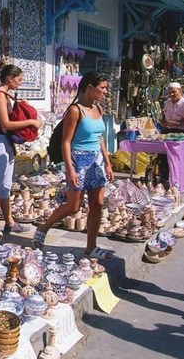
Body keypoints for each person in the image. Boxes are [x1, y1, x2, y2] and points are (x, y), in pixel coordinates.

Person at [32, 71, 115, 260]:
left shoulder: (98, 110)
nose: (105, 92)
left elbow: (99, 138)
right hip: (78, 161)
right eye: (102, 88)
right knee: (73, 206)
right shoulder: (75, 111)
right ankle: (43, 228)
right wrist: (70, 169)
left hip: (97, 162)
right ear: (90, 88)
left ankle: (91, 247)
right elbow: (66, 142)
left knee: (97, 204)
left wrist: (108, 163)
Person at [0, 65, 42, 234]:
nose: (20, 83)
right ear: (10, 78)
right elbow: (6, 124)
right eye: (19, 79)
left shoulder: (5, 96)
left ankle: (9, 223)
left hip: (5, 143)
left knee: (4, 186)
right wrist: (30, 122)